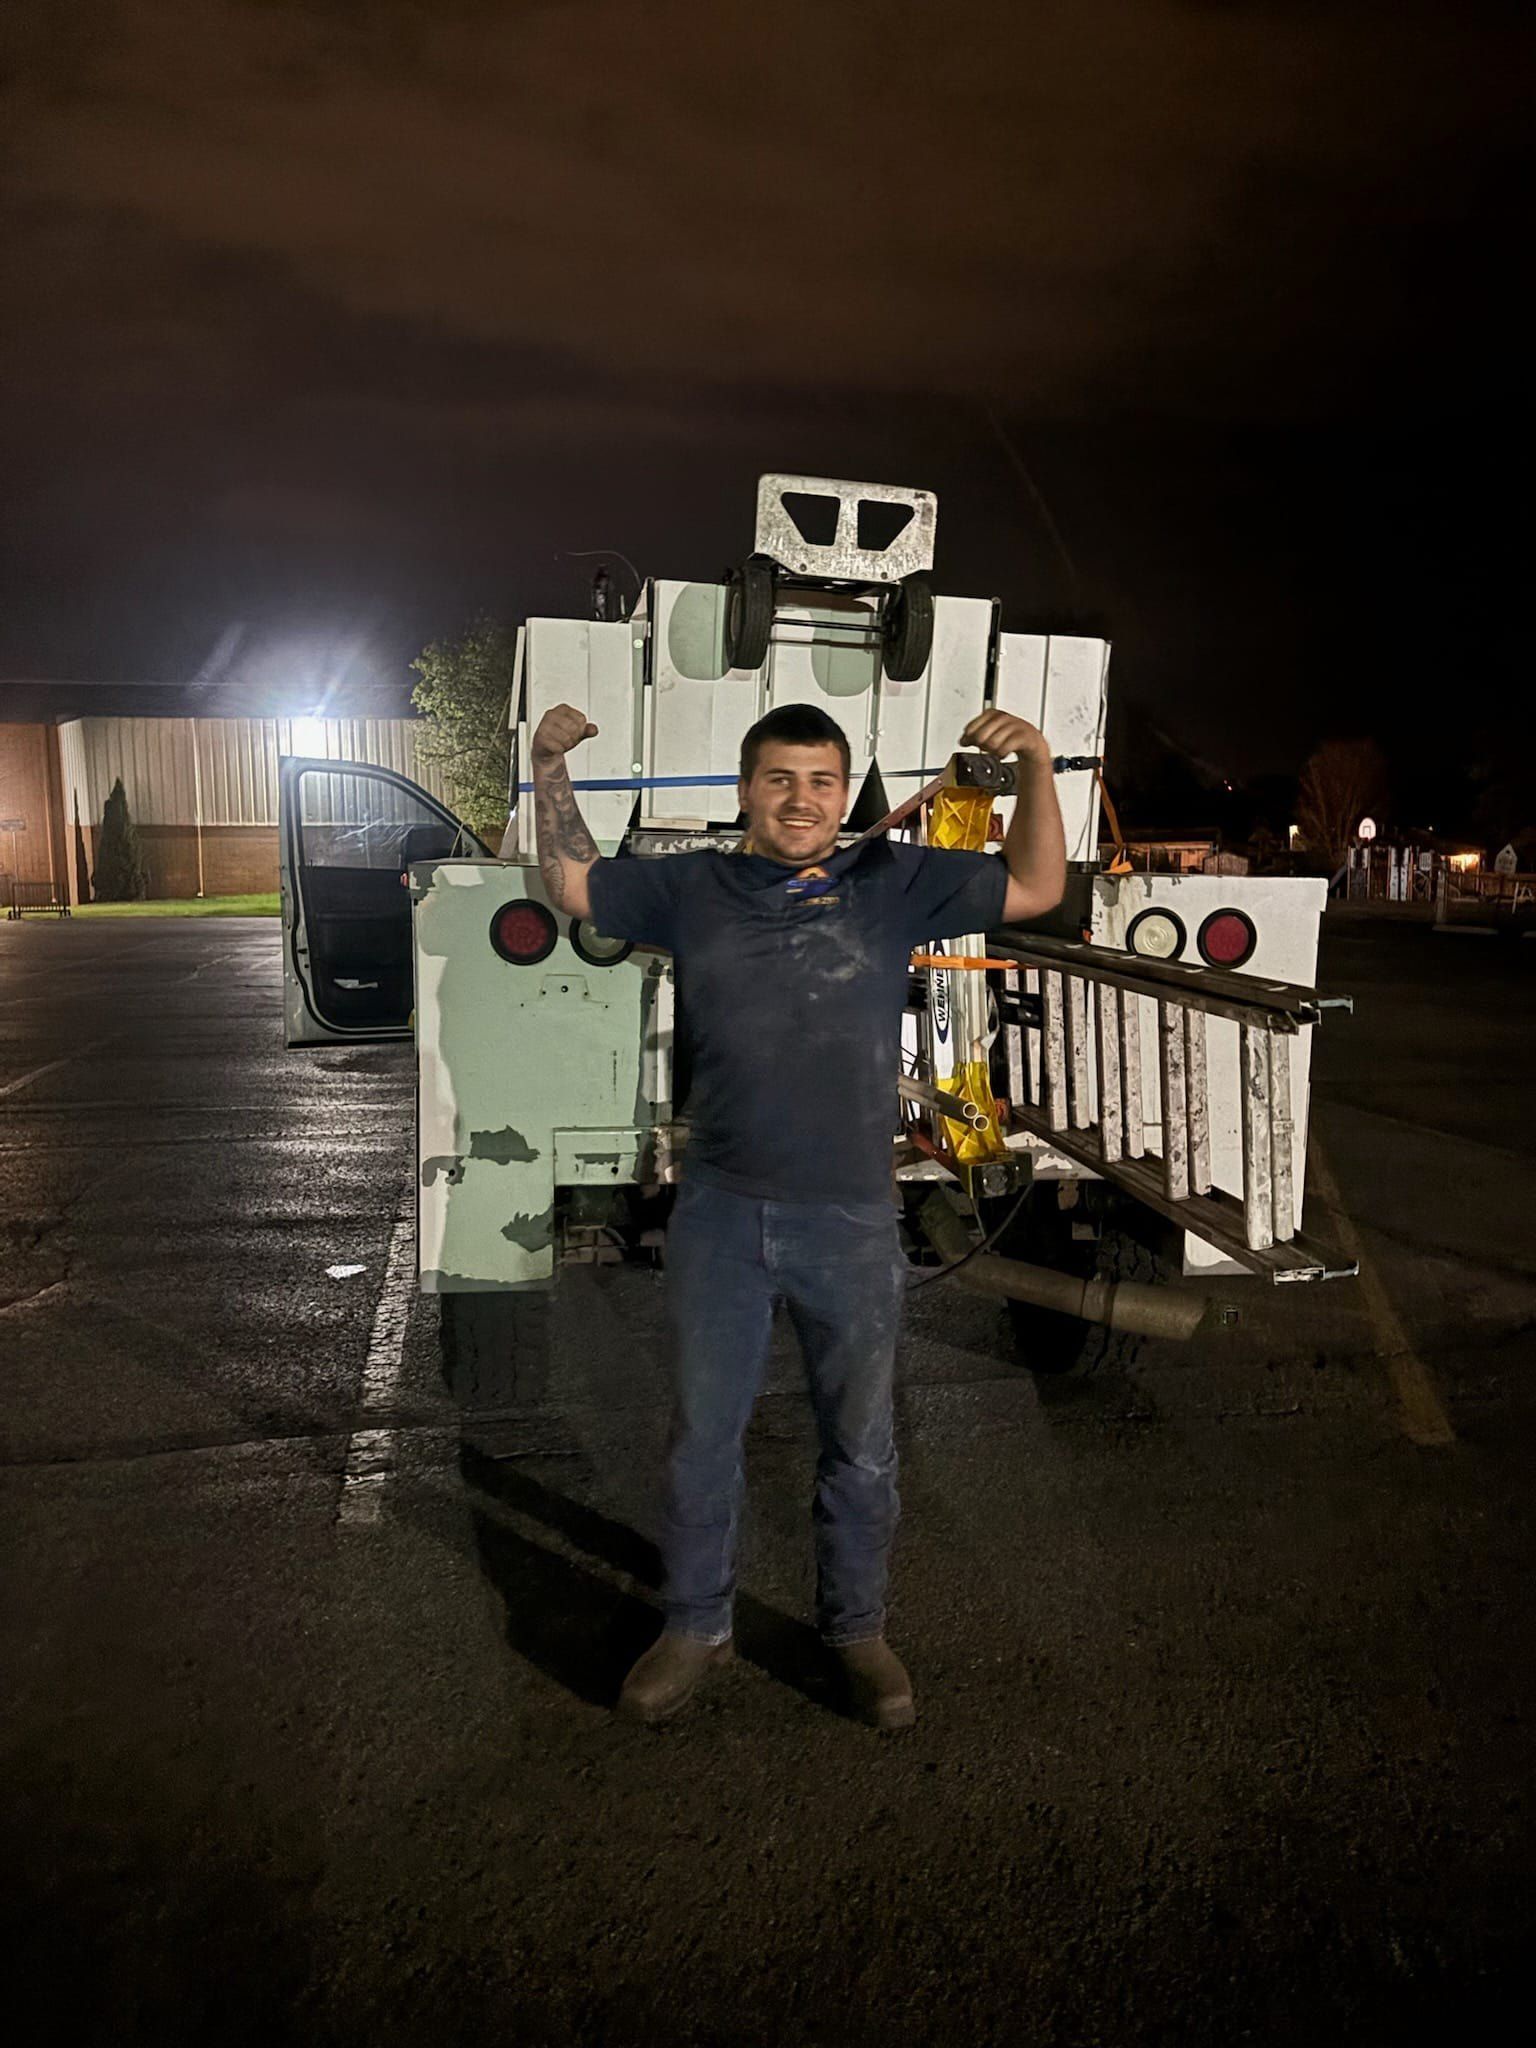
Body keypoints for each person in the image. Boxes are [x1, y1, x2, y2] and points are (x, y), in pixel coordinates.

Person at [531, 699, 1065, 1729]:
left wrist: (1036, 763)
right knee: (702, 1436)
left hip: (850, 1217)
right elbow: (570, 881)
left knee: (860, 1442)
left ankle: (855, 1628)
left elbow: (1038, 885)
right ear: (745, 789)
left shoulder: (895, 884)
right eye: (779, 778)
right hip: (722, 1212)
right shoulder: (695, 886)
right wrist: (549, 762)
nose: (802, 799)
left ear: (844, 791)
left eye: (822, 780)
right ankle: (694, 1623)